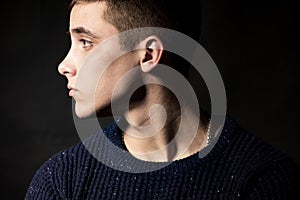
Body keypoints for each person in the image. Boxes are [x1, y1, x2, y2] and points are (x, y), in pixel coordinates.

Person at [25, 0, 299, 199]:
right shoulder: (62, 180)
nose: (64, 65)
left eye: (86, 42)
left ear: (148, 54)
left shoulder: (263, 179)